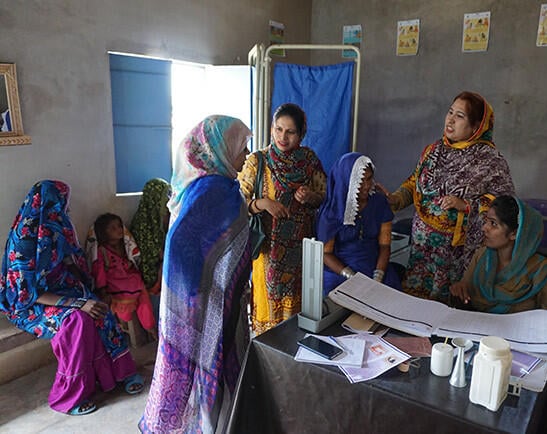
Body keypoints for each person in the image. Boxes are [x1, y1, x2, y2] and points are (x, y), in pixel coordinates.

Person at [140, 115, 253, 433]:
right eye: (241, 147)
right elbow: (183, 245)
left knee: (190, 366)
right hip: (204, 303)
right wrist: (204, 288)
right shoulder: (215, 191)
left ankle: (194, 423)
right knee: (202, 364)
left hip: (198, 299)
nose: (246, 155)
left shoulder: (203, 187)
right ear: (221, 149)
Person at [0, 180, 144, 416]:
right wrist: (79, 303)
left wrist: (88, 293)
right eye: (60, 204)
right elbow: (26, 294)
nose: (65, 210)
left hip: (63, 290)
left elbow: (71, 261)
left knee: (99, 311)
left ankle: (121, 374)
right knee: (76, 322)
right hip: (30, 305)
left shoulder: (58, 231)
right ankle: (70, 394)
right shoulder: (23, 241)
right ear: (46, 206)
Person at [381, 91, 514, 302]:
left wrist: (467, 206)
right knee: (414, 308)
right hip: (421, 252)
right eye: (450, 112)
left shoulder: (490, 161)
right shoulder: (433, 151)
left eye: (460, 116)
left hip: (456, 258)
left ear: (476, 125)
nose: (450, 119)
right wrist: (395, 199)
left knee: (447, 311)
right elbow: (414, 183)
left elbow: (506, 205)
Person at [238, 103, 326, 334]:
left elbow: (324, 198)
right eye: (278, 129)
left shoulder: (309, 161)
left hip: (301, 254)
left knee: (298, 319)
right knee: (269, 321)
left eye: (290, 132)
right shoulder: (257, 162)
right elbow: (235, 203)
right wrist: (262, 203)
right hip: (269, 253)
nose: (283, 137)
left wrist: (310, 196)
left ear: (301, 133)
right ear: (271, 128)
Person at [450, 195, 547, 334]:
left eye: (493, 224)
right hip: (476, 335)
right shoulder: (482, 257)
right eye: (486, 221)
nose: (484, 228)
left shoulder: (541, 270)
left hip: (516, 345)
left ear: (514, 234)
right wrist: (459, 290)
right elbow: (465, 293)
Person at [316, 152, 401, 295]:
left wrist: (378, 277)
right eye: (360, 181)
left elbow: (385, 245)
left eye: (369, 179)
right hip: (341, 270)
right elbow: (326, 254)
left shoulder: (379, 203)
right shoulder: (332, 211)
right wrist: (351, 276)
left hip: (374, 266)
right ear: (347, 181)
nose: (367, 186)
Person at [89, 213, 156, 338]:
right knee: (135, 290)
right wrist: (102, 289)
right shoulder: (102, 250)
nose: (118, 230)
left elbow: (131, 262)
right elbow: (100, 272)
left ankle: (150, 326)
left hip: (129, 278)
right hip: (115, 282)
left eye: (119, 226)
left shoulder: (125, 246)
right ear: (103, 232)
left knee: (142, 291)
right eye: (112, 228)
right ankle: (139, 324)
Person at [130, 178, 171, 295]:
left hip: (162, 262)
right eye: (164, 199)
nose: (168, 203)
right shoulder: (140, 223)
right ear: (155, 200)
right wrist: (161, 253)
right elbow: (146, 252)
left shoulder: (165, 215)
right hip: (150, 269)